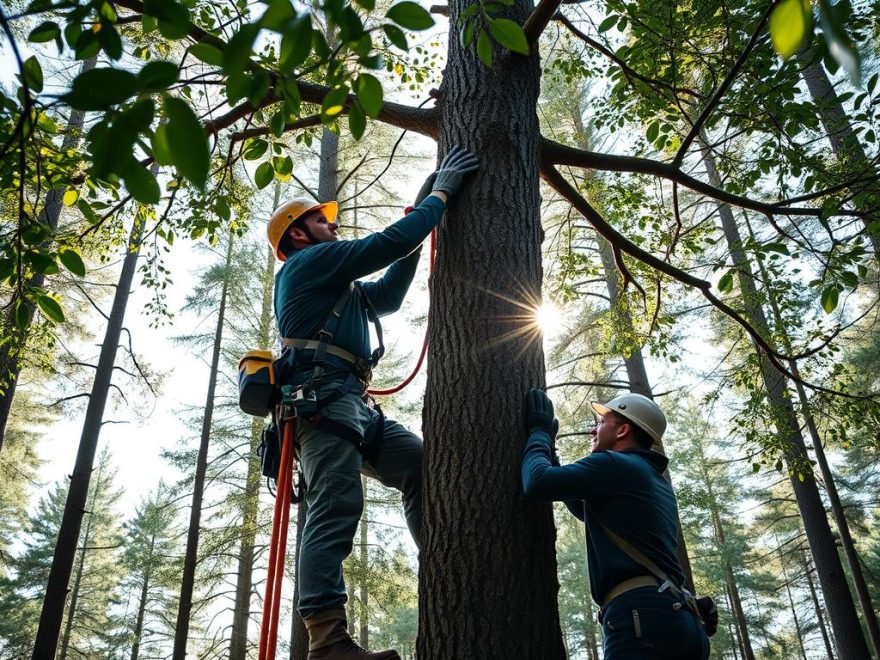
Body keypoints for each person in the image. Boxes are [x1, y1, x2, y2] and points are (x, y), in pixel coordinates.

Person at [267, 148, 479, 660]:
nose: (331, 227)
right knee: (335, 504)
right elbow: (389, 244)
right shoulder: (310, 263)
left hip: (351, 405)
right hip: (322, 402)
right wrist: (439, 196)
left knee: (424, 468)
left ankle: (445, 571)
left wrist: (418, 208)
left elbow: (386, 295)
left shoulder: (337, 286)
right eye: (322, 220)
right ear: (298, 233)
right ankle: (327, 640)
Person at [521, 389, 710, 660]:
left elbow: (537, 482)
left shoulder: (615, 465)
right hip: (681, 621)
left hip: (640, 617)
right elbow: (585, 508)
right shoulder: (649, 478)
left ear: (622, 431)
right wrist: (552, 452)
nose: (593, 431)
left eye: (601, 423)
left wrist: (538, 433)